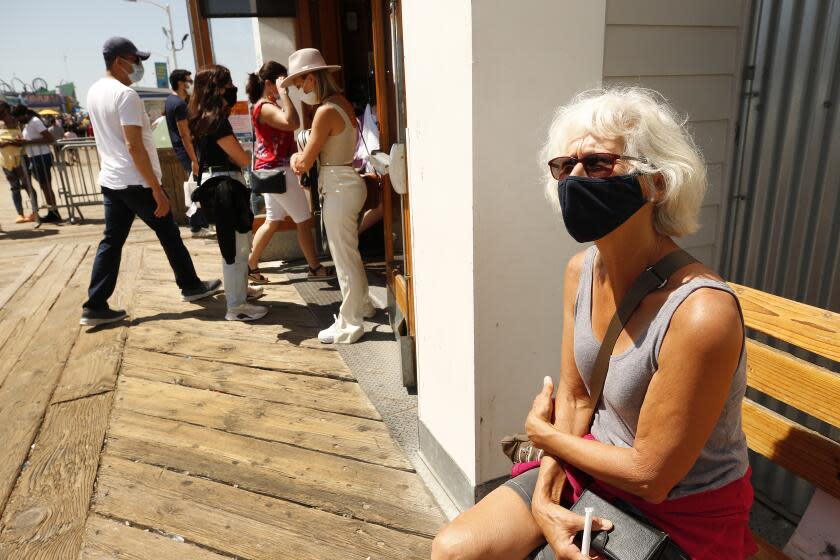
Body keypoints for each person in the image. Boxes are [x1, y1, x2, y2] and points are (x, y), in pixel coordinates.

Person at [431, 88, 756, 560]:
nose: (575, 179)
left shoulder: (701, 312)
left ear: (657, 182)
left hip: (677, 511)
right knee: (453, 550)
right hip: (589, 465)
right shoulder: (582, 271)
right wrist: (544, 496)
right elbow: (578, 395)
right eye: (565, 167)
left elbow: (651, 476)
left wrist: (544, 437)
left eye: (599, 163)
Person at [81, 37, 221, 327]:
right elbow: (134, 147)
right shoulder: (125, 95)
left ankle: (95, 305)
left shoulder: (94, 91)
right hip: (136, 181)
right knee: (169, 233)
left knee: (112, 241)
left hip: (112, 180)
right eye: (136, 60)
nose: (139, 66)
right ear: (119, 61)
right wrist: (157, 189)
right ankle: (191, 285)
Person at [286, 48, 375, 344]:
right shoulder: (341, 104)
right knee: (349, 253)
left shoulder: (325, 111)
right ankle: (361, 306)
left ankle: (350, 321)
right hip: (346, 182)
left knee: (343, 258)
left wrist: (293, 158)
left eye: (300, 84)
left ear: (311, 78)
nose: (300, 90)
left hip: (337, 186)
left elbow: (303, 162)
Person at [189, 64, 268, 322]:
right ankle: (236, 306)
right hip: (225, 186)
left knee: (237, 244)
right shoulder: (217, 121)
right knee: (235, 247)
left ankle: (240, 291)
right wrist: (246, 153)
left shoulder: (200, 117)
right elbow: (242, 158)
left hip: (217, 184)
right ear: (216, 88)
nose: (232, 89)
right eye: (227, 84)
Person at [245, 60, 335, 284]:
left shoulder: (265, 104)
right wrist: (285, 94)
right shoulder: (264, 106)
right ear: (269, 83)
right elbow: (292, 122)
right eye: (280, 81)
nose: (285, 85)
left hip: (271, 172)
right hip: (277, 172)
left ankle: (250, 266)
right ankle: (314, 268)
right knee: (304, 219)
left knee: (273, 220)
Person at [165, 68, 212, 238]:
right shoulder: (178, 104)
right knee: (197, 187)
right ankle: (197, 226)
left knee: (197, 186)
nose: (191, 83)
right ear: (180, 83)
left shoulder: (171, 101)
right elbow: (184, 134)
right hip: (188, 152)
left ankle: (200, 224)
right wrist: (194, 159)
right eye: (188, 80)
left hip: (185, 151)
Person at [11, 105, 62, 222]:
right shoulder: (28, 123)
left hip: (42, 157)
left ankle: (54, 213)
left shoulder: (35, 121)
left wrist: (28, 142)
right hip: (36, 157)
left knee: (46, 186)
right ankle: (53, 212)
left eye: (18, 118)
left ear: (24, 114)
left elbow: (50, 138)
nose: (18, 120)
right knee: (44, 186)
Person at [0, 101, 39, 224]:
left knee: (27, 185)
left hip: (22, 158)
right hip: (5, 160)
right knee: (14, 187)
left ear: (6, 110)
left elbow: (26, 138)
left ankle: (35, 212)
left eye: (2, 111)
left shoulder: (18, 122)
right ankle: (20, 214)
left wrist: (11, 142)